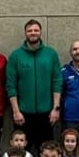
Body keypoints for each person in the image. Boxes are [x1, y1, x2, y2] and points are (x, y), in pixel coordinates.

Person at [6, 19, 63, 150]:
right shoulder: (16, 56)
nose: (33, 33)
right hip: (23, 115)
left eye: (36, 30)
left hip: (46, 114)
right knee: (21, 154)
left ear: (40, 32)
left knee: (47, 152)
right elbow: (10, 85)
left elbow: (57, 81)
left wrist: (56, 109)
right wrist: (16, 111)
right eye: (30, 30)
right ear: (25, 33)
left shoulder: (51, 54)